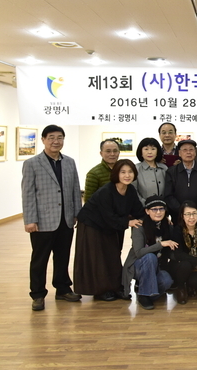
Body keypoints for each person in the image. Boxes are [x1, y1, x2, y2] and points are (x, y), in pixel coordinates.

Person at [22, 124, 83, 311]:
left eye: (59, 138)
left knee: (63, 257)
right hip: (42, 221)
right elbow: (28, 194)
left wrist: (77, 214)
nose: (56, 141)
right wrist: (29, 219)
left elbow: (75, 189)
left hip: (66, 219)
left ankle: (63, 289)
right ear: (43, 140)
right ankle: (38, 294)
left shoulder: (69, 162)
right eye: (51, 138)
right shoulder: (32, 163)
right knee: (39, 259)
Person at [74, 159, 145, 301]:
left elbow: (138, 210)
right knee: (98, 258)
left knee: (113, 255)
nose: (127, 175)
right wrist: (128, 222)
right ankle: (100, 290)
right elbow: (108, 216)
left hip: (110, 225)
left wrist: (152, 218)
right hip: (92, 225)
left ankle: (115, 287)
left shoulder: (130, 190)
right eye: (123, 172)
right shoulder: (106, 191)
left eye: (130, 172)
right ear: (116, 174)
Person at [121, 196, 175, 310]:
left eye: (161, 209)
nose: (158, 212)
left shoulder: (167, 226)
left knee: (167, 281)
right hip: (138, 265)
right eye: (154, 209)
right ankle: (144, 295)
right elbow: (139, 253)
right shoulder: (139, 226)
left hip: (156, 267)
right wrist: (161, 244)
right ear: (147, 211)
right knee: (150, 257)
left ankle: (144, 290)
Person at [165, 201, 197, 304]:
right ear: (182, 216)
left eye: (194, 213)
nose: (191, 217)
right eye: (188, 214)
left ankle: (189, 286)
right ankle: (180, 288)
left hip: (195, 266)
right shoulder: (177, 230)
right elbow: (178, 254)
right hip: (179, 265)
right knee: (185, 265)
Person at [163, 139, 197, 221]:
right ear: (179, 153)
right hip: (178, 215)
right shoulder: (171, 172)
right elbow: (169, 195)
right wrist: (181, 211)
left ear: (195, 152)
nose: (188, 152)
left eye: (191, 149)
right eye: (185, 150)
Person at [132, 138, 167, 205]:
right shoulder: (136, 169)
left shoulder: (164, 168)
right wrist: (146, 204)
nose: (150, 152)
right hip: (143, 207)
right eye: (146, 149)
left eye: (153, 149)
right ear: (141, 152)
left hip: (163, 207)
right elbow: (133, 191)